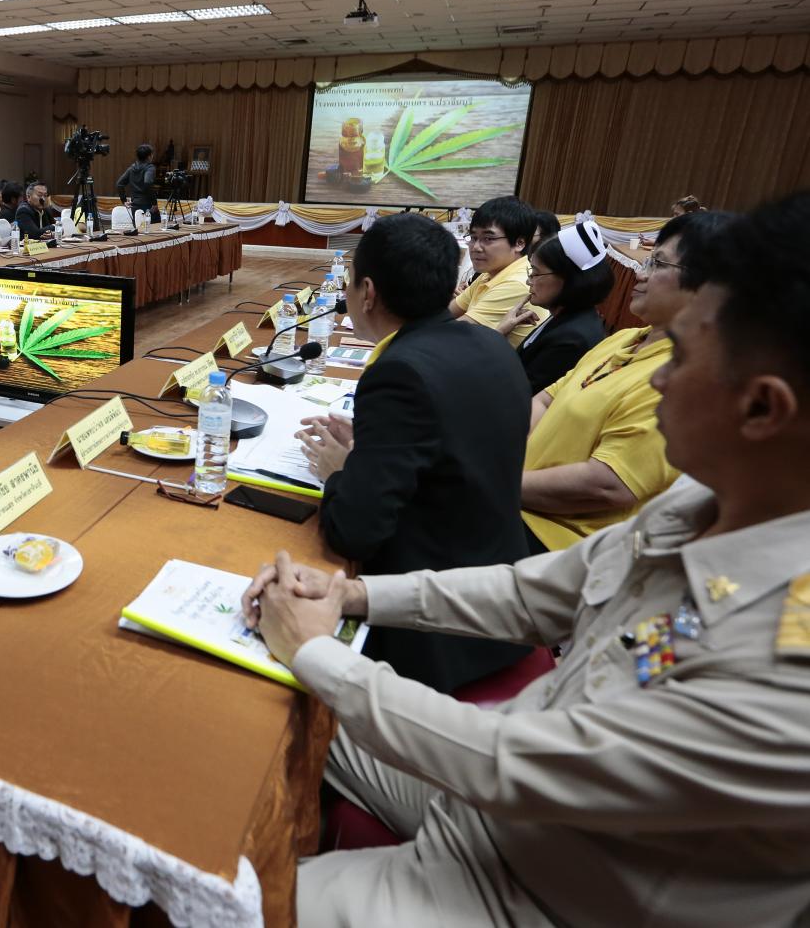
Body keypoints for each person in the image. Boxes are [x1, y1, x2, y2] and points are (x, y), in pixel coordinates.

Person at [245, 190, 810, 928]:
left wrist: (316, 647)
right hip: (485, 808)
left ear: (762, 408)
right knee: (248, 713)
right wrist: (351, 599)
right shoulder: (698, 506)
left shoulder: (784, 675)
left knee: (207, 900)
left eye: (682, 353)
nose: (659, 376)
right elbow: (527, 591)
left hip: (526, 892)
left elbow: (510, 762)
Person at [296, 213, 532, 692]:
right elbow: (447, 455)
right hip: (500, 600)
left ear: (367, 291)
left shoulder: (401, 372)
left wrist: (341, 471)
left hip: (434, 632)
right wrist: (374, 452)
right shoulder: (491, 345)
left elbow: (354, 533)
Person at [521, 209, 733, 554]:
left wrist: (498, 483)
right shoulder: (625, 338)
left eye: (659, 265)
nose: (640, 272)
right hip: (518, 504)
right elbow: (545, 400)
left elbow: (607, 485)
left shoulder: (693, 375)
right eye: (647, 260)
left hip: (562, 541)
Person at [494, 218, 615, 394]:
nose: (529, 280)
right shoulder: (567, 314)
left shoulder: (571, 340)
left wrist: (498, 336)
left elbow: (516, 394)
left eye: (535, 273)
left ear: (569, 279)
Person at [450, 195, 542, 347]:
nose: (476, 247)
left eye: (488, 238)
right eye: (473, 237)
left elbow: (451, 336)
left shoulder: (516, 283)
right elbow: (448, 313)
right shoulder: (491, 273)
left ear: (519, 243)